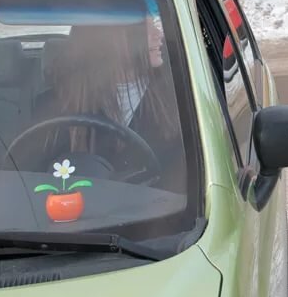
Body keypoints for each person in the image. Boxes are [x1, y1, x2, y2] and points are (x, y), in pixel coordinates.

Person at [34, 10, 184, 187]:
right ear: (107, 40)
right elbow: (30, 184)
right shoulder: (54, 106)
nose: (159, 35)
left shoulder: (179, 98)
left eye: (155, 24)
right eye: (145, 27)